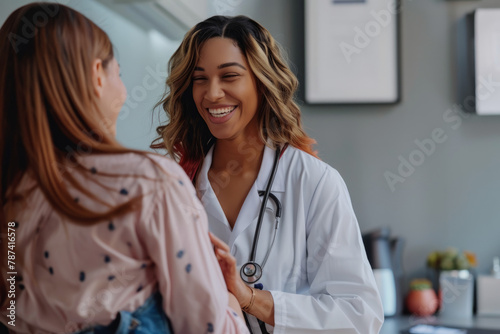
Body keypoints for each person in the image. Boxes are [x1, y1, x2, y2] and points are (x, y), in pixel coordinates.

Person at [0, 3, 250, 334]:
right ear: (96, 77)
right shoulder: (149, 181)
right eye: (117, 71)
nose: (212, 92)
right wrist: (231, 300)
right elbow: (209, 328)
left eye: (229, 75)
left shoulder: (14, 191)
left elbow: (13, 314)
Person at [152, 15, 384, 334]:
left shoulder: (313, 182)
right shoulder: (178, 185)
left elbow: (360, 316)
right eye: (199, 79)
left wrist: (249, 298)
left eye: (229, 76)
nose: (212, 93)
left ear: (262, 82)